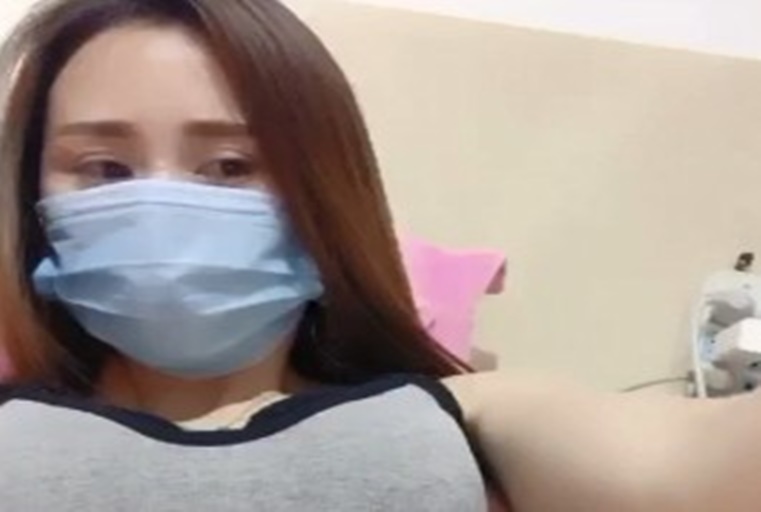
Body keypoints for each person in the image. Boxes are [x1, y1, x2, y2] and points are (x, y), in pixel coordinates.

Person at [0, 1, 755, 510]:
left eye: (231, 166)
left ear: (322, 193)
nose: (161, 206)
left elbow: (694, 469)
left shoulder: (465, 413)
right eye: (104, 169)